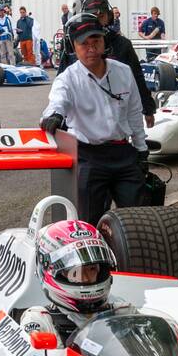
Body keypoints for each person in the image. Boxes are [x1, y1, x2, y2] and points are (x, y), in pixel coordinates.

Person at [41, 13, 147, 225]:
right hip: (89, 157)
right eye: (84, 43)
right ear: (73, 46)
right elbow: (57, 102)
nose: (91, 48)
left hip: (123, 153)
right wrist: (55, 115)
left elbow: (135, 112)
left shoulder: (124, 72)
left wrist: (141, 148)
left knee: (138, 219)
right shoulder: (67, 79)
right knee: (88, 222)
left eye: (96, 41)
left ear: (104, 41)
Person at [58, 0, 156, 127]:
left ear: (108, 16)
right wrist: (56, 113)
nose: (96, 20)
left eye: (101, 15)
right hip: (82, 118)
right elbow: (60, 85)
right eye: (91, 15)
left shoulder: (122, 44)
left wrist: (148, 108)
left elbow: (137, 78)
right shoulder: (72, 44)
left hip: (116, 117)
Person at [18, 219, 120, 344]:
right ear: (51, 271)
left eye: (92, 269)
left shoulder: (121, 312)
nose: (86, 278)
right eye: (75, 272)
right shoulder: (40, 320)